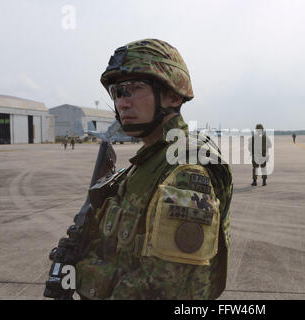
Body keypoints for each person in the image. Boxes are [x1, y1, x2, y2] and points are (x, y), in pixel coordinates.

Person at [74, 39, 233, 300]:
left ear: (173, 95)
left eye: (134, 88)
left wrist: (81, 276)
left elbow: (162, 289)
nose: (122, 103)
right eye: (117, 92)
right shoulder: (149, 162)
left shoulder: (186, 171)